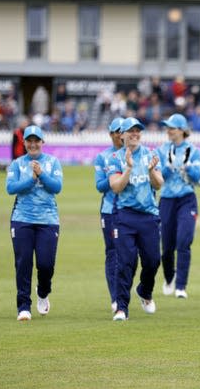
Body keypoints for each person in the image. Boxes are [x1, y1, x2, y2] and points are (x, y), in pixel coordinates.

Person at [108, 117, 164, 321]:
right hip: (125, 215)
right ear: (121, 134)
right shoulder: (115, 158)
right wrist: (129, 168)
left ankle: (145, 291)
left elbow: (158, 184)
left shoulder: (151, 154)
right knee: (125, 262)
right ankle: (121, 308)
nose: (134, 134)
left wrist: (150, 171)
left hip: (149, 215)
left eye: (137, 131)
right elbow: (116, 187)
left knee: (153, 261)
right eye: (130, 131)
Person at [6, 126, 63, 321]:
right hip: (22, 219)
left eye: (36, 140)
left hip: (48, 220)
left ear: (42, 142)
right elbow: (11, 188)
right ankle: (24, 306)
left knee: (46, 264)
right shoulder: (17, 164)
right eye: (29, 141)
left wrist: (42, 174)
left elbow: (57, 187)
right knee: (23, 263)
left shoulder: (53, 162)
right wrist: (31, 179)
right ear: (24, 143)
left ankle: (43, 291)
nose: (33, 144)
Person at [155, 113, 200, 299]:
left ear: (182, 130)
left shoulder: (194, 150)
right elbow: (158, 179)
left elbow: (199, 178)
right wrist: (166, 170)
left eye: (172, 128)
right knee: (167, 246)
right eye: (167, 128)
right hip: (166, 200)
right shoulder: (161, 150)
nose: (168, 131)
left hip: (187, 199)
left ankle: (181, 286)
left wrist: (190, 168)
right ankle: (169, 278)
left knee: (184, 241)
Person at [93, 117, 124, 313]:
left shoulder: (136, 154)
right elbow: (100, 186)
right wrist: (114, 176)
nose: (121, 135)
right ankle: (115, 297)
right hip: (109, 210)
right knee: (113, 253)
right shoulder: (102, 157)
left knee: (132, 254)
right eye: (117, 132)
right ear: (111, 134)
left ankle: (128, 291)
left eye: (124, 131)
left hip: (132, 210)